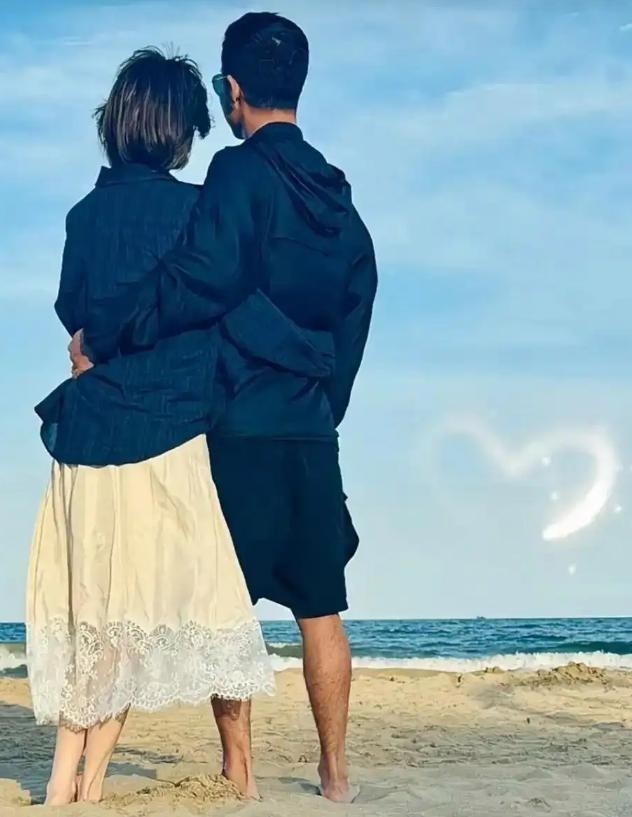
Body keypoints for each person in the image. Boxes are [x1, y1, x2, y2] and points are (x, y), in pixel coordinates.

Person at [70, 12, 378, 804]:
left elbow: (198, 280)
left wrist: (107, 335)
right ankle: (335, 773)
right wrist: (329, 398)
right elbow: (359, 295)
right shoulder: (339, 196)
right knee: (322, 608)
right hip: (310, 426)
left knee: (227, 606)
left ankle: (240, 767)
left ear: (234, 90)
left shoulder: (236, 175)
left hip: (237, 421)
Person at [27, 48, 280, 807]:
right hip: (165, 432)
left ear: (117, 123)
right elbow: (224, 313)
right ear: (178, 131)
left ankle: (67, 778)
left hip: (86, 436)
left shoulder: (83, 215)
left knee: (93, 613)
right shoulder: (198, 212)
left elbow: (76, 318)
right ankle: (87, 783)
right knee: (138, 614)